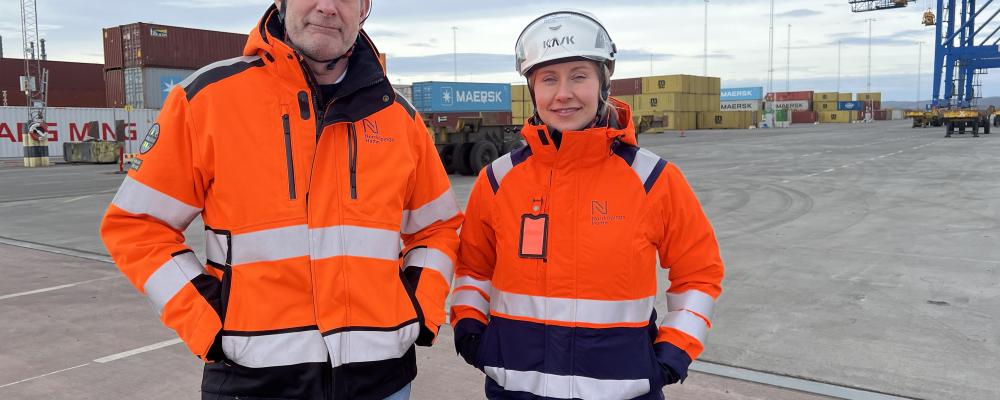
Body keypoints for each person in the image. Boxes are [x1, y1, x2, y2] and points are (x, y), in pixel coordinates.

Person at [100, 1, 461, 399]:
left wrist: (419, 307)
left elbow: (438, 227)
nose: (327, 7)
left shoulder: (400, 119)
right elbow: (137, 225)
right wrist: (208, 323)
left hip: (383, 382)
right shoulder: (207, 100)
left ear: (364, 9)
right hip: (253, 381)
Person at [449, 10, 725, 399]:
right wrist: (471, 329)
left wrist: (676, 348)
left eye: (579, 75)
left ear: (602, 84)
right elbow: (473, 267)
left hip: (622, 391)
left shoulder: (653, 180)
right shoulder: (497, 180)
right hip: (515, 389)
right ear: (533, 91)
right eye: (548, 79)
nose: (563, 93)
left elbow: (699, 272)